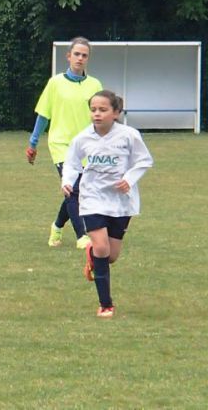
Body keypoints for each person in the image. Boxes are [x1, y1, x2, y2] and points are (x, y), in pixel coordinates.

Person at [62, 90, 153, 318]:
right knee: (102, 248)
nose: (97, 114)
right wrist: (67, 181)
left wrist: (129, 179)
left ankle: (92, 253)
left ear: (116, 112)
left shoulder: (129, 135)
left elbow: (144, 160)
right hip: (92, 198)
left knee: (110, 256)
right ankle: (105, 304)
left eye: (103, 110)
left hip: (121, 201)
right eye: (93, 110)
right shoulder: (82, 138)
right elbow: (72, 163)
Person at [26, 37, 103, 249]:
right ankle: (82, 236)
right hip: (61, 145)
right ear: (68, 56)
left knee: (81, 190)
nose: (80, 58)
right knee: (73, 189)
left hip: (87, 146)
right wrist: (33, 143)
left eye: (84, 55)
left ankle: (57, 226)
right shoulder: (55, 83)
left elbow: (101, 115)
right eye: (76, 54)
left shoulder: (95, 85)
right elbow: (44, 114)